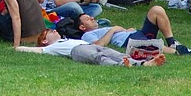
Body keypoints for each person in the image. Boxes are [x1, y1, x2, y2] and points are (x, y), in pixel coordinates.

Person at [74, 5, 191, 55]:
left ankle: (172, 42)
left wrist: (125, 30)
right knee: (148, 44)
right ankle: (177, 51)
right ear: (82, 27)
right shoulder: (87, 35)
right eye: (87, 18)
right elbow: (99, 45)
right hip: (129, 41)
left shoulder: (101, 28)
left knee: (156, 10)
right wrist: (113, 30)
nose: (92, 17)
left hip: (136, 34)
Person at [15, 28, 166, 68]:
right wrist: (16, 48)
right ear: (45, 41)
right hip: (78, 51)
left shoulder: (66, 39)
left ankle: (143, 63)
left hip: (89, 45)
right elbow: (33, 50)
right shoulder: (51, 48)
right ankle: (122, 65)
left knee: (114, 53)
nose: (54, 31)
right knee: (99, 58)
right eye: (50, 32)